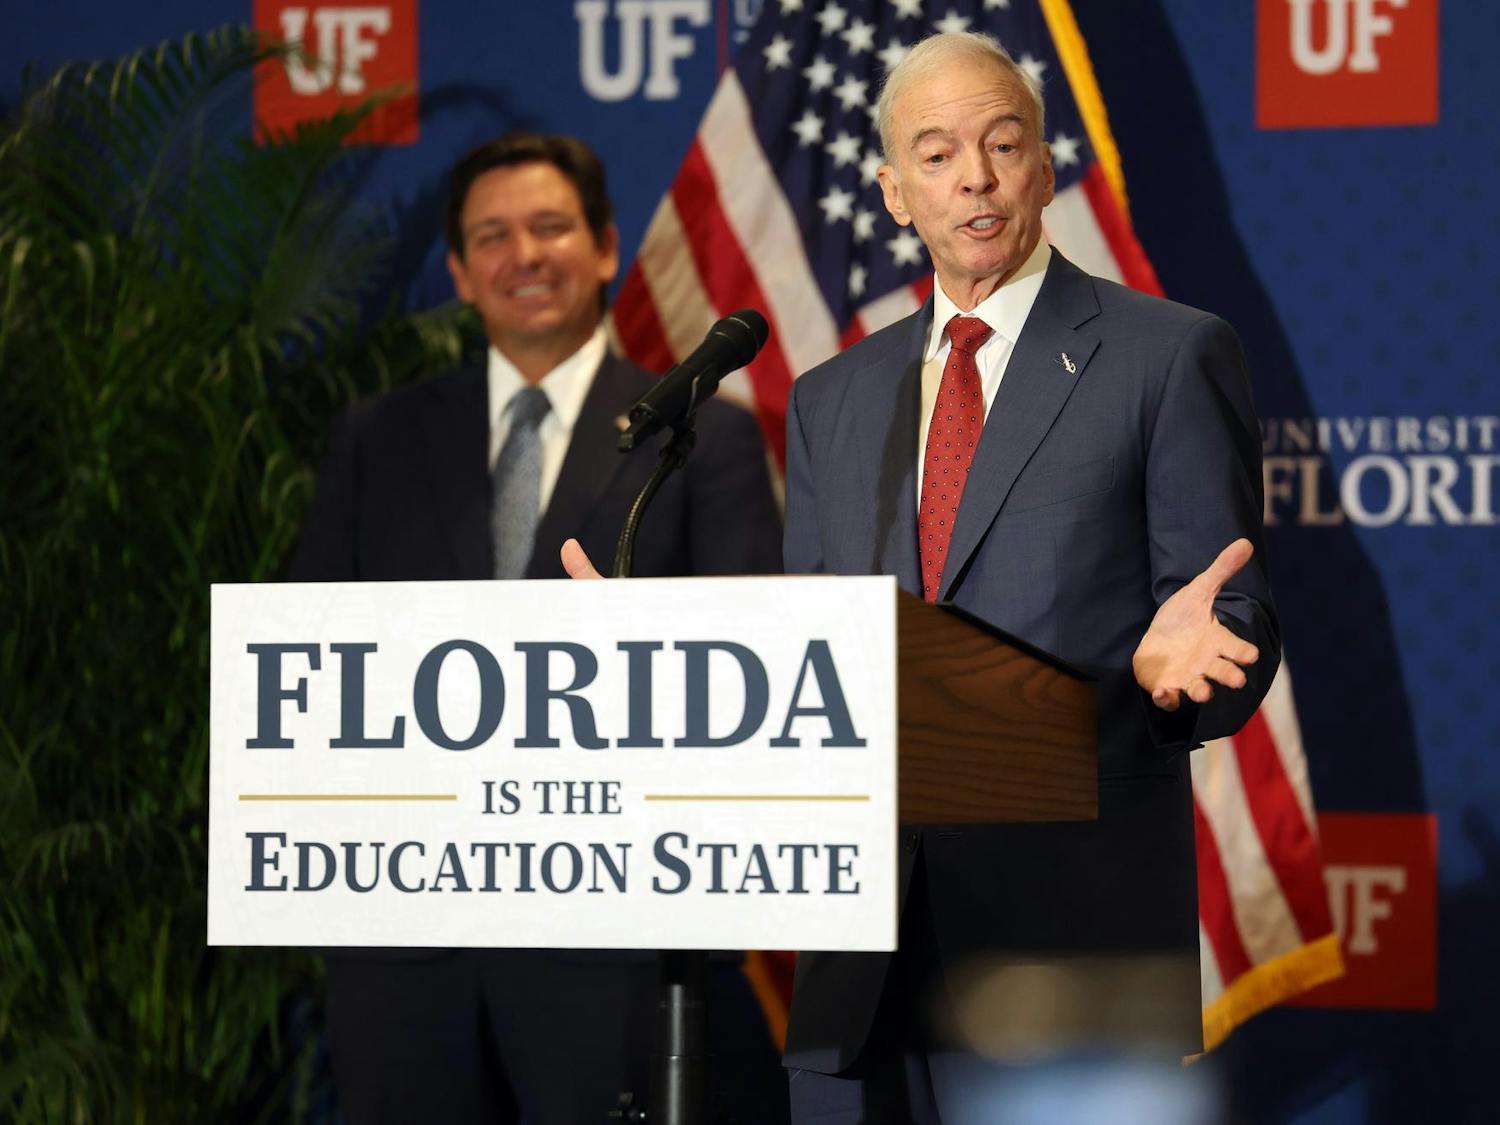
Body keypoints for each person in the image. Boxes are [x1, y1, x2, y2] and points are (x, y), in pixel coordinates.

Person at [773, 32, 1279, 1122]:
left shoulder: (1167, 354)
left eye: (1004, 145)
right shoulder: (833, 398)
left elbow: (1225, 615)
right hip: (863, 954)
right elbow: (815, 652)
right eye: (940, 153)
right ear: (895, 193)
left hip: (1069, 945)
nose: (977, 178)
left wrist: (1185, 672)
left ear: (1045, 170)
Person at [291, 131, 786, 1125]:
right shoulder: (376, 437)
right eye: (494, 236)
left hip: (609, 945)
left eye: (551, 227)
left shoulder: (705, 436)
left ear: (605, 247)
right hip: (405, 954)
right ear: (461, 272)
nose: (524, 254)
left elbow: (753, 670)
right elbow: (311, 662)